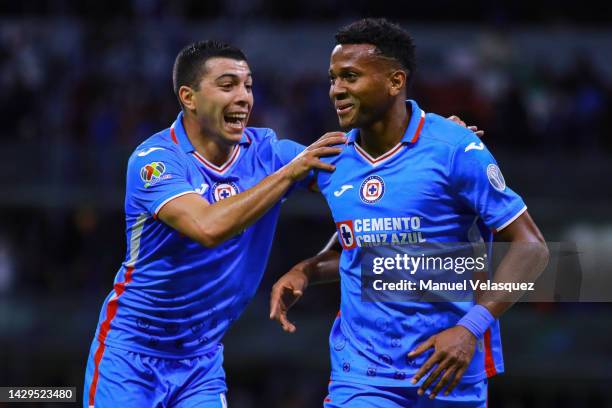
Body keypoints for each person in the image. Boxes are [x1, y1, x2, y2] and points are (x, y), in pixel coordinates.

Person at [269, 18, 549, 407]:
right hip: (362, 377)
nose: (336, 90)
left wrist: (470, 329)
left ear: (395, 81)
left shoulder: (453, 148)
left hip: (449, 370)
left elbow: (533, 249)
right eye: (333, 78)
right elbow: (366, 248)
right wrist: (306, 269)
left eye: (350, 77)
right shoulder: (331, 160)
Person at [83, 40, 346, 408]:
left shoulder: (269, 153)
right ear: (189, 97)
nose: (244, 98)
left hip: (200, 362)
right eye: (227, 85)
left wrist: (436, 140)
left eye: (248, 86)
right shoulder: (155, 160)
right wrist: (289, 175)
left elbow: (367, 174)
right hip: (131, 356)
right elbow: (207, 227)